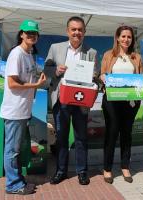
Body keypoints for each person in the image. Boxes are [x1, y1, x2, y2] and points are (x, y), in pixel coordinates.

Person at [43, 16, 97, 185]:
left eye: (80, 30)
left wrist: (93, 75)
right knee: (61, 138)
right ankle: (61, 171)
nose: (77, 33)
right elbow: (46, 69)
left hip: (81, 101)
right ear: (68, 31)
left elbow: (95, 74)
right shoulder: (55, 48)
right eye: (73, 29)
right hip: (62, 99)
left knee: (81, 138)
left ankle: (82, 171)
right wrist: (56, 70)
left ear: (84, 32)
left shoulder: (92, 52)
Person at [0, 19, 46, 195]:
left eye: (34, 33)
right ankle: (12, 185)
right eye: (28, 32)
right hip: (14, 110)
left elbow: (26, 79)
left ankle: (17, 180)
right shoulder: (16, 54)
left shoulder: (29, 55)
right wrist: (35, 86)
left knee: (16, 150)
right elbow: (12, 83)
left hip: (22, 109)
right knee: (12, 150)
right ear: (21, 34)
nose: (31, 35)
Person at [99, 25, 143, 184]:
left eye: (129, 37)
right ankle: (107, 168)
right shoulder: (108, 55)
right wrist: (103, 77)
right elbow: (102, 73)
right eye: (123, 36)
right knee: (112, 132)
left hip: (130, 101)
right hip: (111, 100)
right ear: (117, 37)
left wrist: (141, 95)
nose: (126, 39)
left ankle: (125, 166)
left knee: (126, 134)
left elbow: (139, 78)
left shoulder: (136, 57)